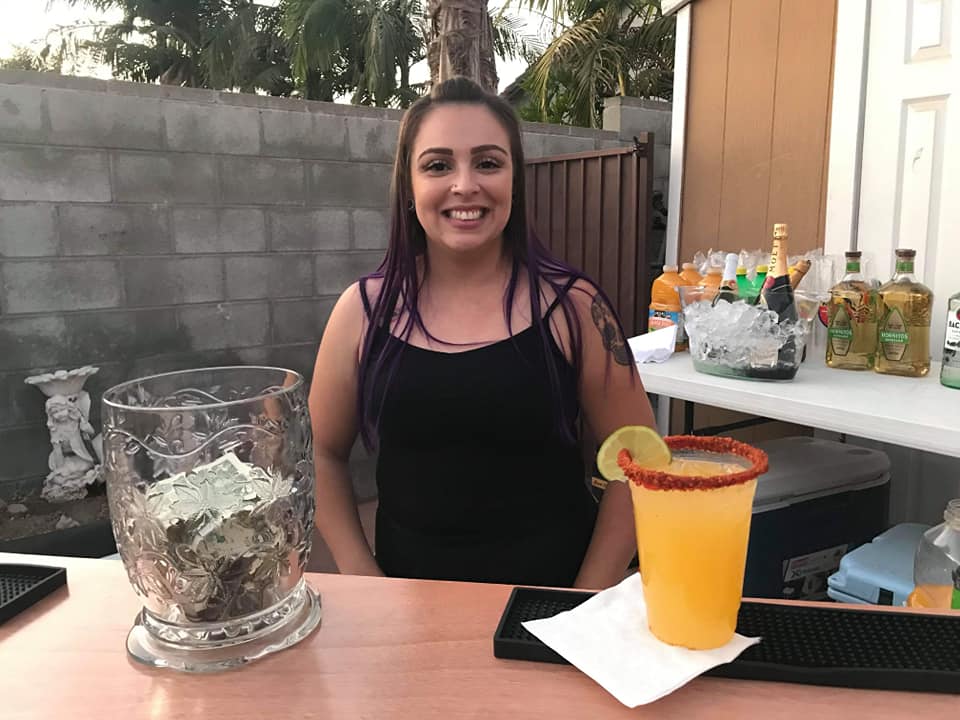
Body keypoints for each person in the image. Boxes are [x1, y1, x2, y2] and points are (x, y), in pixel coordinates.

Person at [308, 76, 657, 590]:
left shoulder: (575, 308)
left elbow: (641, 458)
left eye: (488, 163)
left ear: (515, 179)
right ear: (409, 185)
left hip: (551, 611)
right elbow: (318, 453)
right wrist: (364, 579)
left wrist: (584, 599)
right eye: (438, 165)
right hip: (406, 609)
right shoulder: (362, 312)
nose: (465, 184)